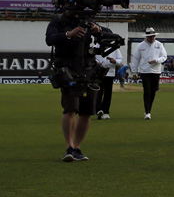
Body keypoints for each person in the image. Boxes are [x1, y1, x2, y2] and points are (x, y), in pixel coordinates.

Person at [45, 10, 109, 162]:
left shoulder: (88, 21)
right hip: (68, 68)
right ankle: (69, 146)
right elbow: (50, 39)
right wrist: (69, 34)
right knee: (70, 108)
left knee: (87, 111)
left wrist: (98, 30)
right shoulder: (58, 22)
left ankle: (77, 148)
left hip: (89, 68)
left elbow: (108, 33)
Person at [131, 27, 167, 120]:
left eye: (153, 36)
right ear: (146, 36)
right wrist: (134, 73)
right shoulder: (140, 46)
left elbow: (164, 56)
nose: (152, 38)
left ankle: (148, 109)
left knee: (153, 91)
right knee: (147, 91)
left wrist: (157, 60)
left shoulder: (159, 44)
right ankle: (147, 112)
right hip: (145, 71)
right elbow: (136, 60)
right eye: (150, 37)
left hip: (156, 71)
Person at [95, 45, 123, 120]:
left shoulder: (114, 48)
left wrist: (115, 61)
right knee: (98, 92)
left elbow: (120, 60)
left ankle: (106, 111)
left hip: (110, 73)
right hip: (99, 73)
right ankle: (98, 109)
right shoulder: (96, 46)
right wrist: (96, 63)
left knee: (108, 93)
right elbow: (91, 58)